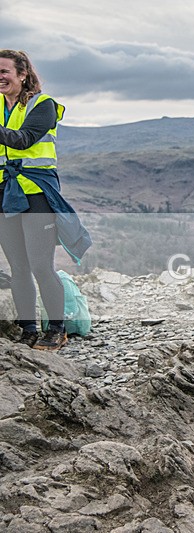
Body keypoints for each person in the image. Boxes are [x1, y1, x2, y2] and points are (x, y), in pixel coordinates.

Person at [0, 50, 91, 350]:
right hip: (5, 194)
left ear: (22, 74)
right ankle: (28, 329)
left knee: (41, 265)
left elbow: (23, 139)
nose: (0, 77)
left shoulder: (43, 105)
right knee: (18, 268)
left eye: (4, 71)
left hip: (37, 193)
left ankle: (56, 329)